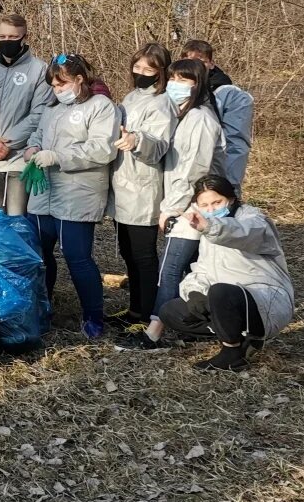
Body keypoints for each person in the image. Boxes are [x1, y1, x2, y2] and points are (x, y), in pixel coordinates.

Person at [120, 57, 226, 350]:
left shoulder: (201, 120)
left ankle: (153, 333)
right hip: (187, 204)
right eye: (174, 79)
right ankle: (203, 325)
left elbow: (195, 169)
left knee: (171, 268)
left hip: (195, 207)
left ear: (199, 84)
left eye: (185, 80)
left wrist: (172, 206)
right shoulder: (183, 115)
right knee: (197, 269)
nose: (177, 86)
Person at [23, 53, 121, 339]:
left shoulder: (101, 107)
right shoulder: (52, 108)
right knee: (40, 255)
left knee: (77, 257)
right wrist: (32, 149)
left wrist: (58, 156)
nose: (58, 90)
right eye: (53, 85)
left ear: (79, 79)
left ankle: (93, 316)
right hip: (44, 192)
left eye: (62, 84)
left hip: (77, 193)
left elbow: (102, 149)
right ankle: (43, 307)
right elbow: (37, 135)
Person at [159, 175, 293, 371]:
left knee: (221, 292)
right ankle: (240, 337)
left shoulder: (253, 220)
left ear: (230, 199)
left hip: (263, 299)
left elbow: (242, 232)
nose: (211, 209)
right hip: (224, 300)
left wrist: (210, 227)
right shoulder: (208, 232)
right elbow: (202, 269)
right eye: (204, 205)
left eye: (217, 202)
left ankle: (232, 352)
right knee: (171, 311)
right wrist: (194, 292)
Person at [106, 44, 178, 330]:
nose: (142, 74)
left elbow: (159, 145)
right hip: (122, 185)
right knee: (127, 252)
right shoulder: (131, 97)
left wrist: (138, 141)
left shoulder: (162, 103)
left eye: (149, 70)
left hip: (143, 188)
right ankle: (135, 310)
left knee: (143, 256)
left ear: (161, 72)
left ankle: (147, 313)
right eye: (138, 68)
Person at [0, 13, 53, 218]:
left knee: (17, 219)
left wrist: (8, 143)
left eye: (13, 38)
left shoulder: (39, 70)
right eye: (2, 37)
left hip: (18, 159)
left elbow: (39, 113)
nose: (6, 42)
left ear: (25, 37)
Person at [182, 40, 253, 190]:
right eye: (188, 60)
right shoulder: (175, 89)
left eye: (200, 60)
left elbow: (236, 145)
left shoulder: (230, 95)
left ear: (211, 64)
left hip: (213, 179)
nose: (195, 65)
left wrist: (227, 188)